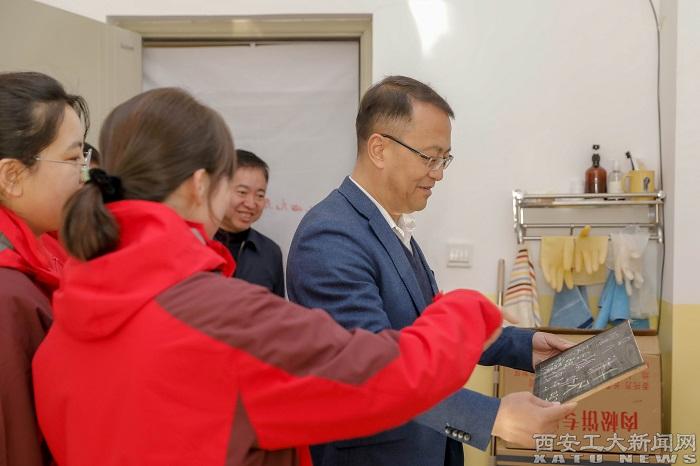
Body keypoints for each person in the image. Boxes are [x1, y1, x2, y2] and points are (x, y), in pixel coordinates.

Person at [32, 87, 507, 466]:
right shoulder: (219, 318)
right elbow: (380, 375)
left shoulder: (63, 323)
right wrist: (468, 309)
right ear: (201, 185)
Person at [287, 75, 577, 466]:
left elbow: (428, 331)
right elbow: (375, 370)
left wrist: (524, 347)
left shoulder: (391, 227)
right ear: (379, 149)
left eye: (444, 159)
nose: (438, 173)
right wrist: (492, 417)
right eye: (429, 157)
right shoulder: (330, 236)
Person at [0, 71, 89, 466]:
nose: (85, 175)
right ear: (12, 176)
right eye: (72, 158)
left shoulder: (48, 254)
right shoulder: (6, 295)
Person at [215, 149, 284, 297]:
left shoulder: (270, 253)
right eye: (242, 192)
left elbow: (276, 309)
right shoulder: (194, 244)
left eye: (260, 195)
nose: (251, 204)